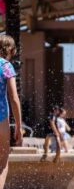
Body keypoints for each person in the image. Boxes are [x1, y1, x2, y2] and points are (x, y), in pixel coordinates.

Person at [0, 35, 22, 189]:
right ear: (12, 50)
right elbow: (14, 98)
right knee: (2, 163)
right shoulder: (6, 66)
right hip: (1, 120)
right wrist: (19, 127)